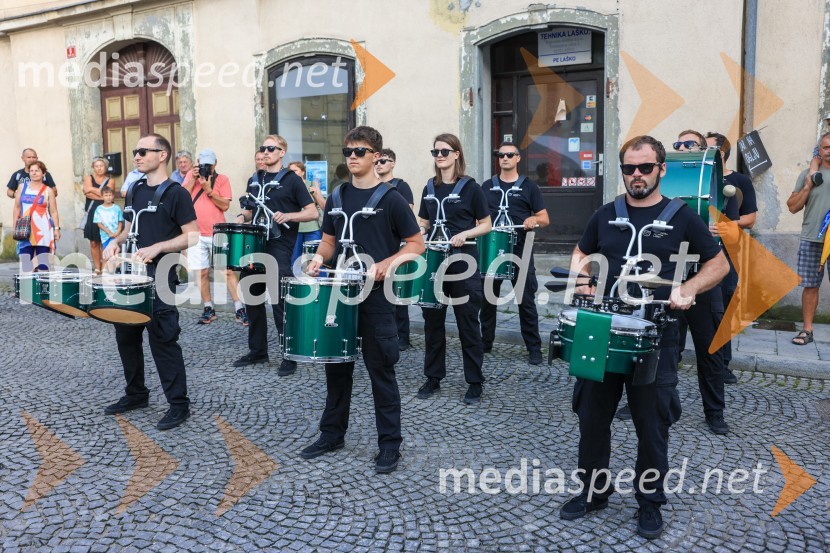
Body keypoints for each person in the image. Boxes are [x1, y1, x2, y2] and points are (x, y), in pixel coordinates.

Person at [559, 135, 728, 539]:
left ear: (661, 169)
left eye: (645, 168)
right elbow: (582, 253)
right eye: (629, 168)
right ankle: (594, 491)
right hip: (603, 330)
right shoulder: (606, 213)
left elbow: (719, 264)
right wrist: (582, 278)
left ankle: (649, 502)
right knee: (592, 418)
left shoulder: (682, 215)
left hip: (657, 334)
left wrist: (687, 290)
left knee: (652, 425)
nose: (637, 175)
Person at [302, 126, 424, 473]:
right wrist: (318, 259)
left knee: (380, 370)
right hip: (339, 293)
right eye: (348, 152)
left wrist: (387, 264)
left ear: (377, 157)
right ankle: (332, 434)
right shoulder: (338, 197)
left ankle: (389, 445)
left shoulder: (392, 199)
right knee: (336, 368)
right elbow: (328, 240)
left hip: (375, 296)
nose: (352, 157)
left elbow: (416, 244)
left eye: (359, 151)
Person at [101, 133, 198, 431]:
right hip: (130, 275)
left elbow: (192, 235)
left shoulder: (177, 193)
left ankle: (178, 404)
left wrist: (159, 247)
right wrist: (115, 242)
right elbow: (130, 227)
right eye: (135, 151)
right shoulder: (134, 189)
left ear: (162, 155)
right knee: (126, 336)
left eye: (144, 151)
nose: (137, 155)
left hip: (162, 275)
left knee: (163, 339)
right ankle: (136, 394)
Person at [416, 133, 492, 404]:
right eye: (435, 152)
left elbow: (486, 224)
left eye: (445, 152)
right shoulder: (429, 187)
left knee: (467, 322)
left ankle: (474, 381)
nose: (439, 156)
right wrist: (422, 231)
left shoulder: (471, 188)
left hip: (463, 259)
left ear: (457, 154)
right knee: (432, 322)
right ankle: (433, 377)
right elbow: (424, 220)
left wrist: (466, 233)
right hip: (434, 260)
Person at [233, 135, 318, 374]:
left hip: (279, 245)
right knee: (251, 297)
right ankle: (258, 351)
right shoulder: (254, 178)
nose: (266, 152)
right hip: (254, 245)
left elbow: (312, 213)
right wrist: (241, 217)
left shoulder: (292, 180)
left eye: (271, 148)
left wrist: (288, 216)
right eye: (263, 148)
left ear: (282, 152)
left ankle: (289, 355)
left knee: (279, 302)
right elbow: (249, 211)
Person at [666, 129, 730, 434]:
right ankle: (652, 399)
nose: (681, 148)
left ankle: (714, 411)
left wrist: (718, 229)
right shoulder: (664, 182)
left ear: (702, 152)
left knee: (709, 349)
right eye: (677, 144)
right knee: (664, 345)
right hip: (670, 274)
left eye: (688, 144)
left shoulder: (711, 185)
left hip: (704, 277)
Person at [479, 142, 550, 365]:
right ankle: (485, 343)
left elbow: (544, 218)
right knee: (487, 300)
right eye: (500, 155)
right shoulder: (486, 186)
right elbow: (477, 217)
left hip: (520, 250)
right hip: (492, 250)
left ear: (518, 158)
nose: (505, 158)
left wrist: (533, 219)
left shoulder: (529, 186)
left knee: (525, 301)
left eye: (510, 155)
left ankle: (534, 349)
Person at [705, 131, 758, 383]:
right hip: (699, 251)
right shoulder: (699, 179)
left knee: (724, 308)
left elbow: (750, 219)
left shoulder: (739, 181)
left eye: (707, 149)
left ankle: (723, 364)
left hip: (727, 252)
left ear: (721, 153)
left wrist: (726, 224)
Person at [182, 149, 247, 325]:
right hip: (196, 233)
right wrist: (193, 180)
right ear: (197, 163)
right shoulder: (190, 176)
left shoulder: (223, 179)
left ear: (215, 164)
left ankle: (240, 308)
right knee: (201, 272)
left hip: (217, 232)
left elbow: (225, 206)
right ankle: (208, 308)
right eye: (203, 164)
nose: (206, 168)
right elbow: (181, 199)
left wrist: (209, 190)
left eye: (209, 165)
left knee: (226, 271)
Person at [787, 132, 830, 345]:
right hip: (812, 238)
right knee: (810, 286)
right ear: (819, 151)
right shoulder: (809, 174)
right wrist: (808, 184)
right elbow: (793, 207)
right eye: (826, 147)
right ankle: (807, 330)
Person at [375, 148, 416, 351]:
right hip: (379, 244)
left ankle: (403, 337)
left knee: (398, 291)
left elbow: (407, 213)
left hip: (398, 244)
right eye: (378, 161)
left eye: (384, 160)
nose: (380, 164)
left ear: (393, 164)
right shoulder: (371, 186)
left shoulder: (401, 186)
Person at [13, 161, 60, 272]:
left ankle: (43, 287)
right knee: (26, 263)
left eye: (37, 170)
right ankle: (28, 287)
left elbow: (53, 211)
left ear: (43, 173)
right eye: (31, 171)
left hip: (43, 229)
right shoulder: (22, 187)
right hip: (25, 229)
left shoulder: (48, 191)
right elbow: (17, 207)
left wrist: (57, 229)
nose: (34, 173)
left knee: (43, 264)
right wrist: (14, 225)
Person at [288, 161, 323, 265]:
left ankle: (318, 280)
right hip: (296, 227)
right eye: (290, 171)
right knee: (295, 258)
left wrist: (316, 192)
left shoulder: (312, 184)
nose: (293, 173)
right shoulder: (288, 186)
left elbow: (321, 204)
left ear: (302, 172)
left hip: (312, 227)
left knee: (315, 258)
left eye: (295, 170)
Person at [81, 157, 111, 274]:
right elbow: (86, 192)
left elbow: (108, 195)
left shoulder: (110, 181)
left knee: (105, 241)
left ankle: (104, 267)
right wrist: (101, 194)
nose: (99, 168)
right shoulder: (88, 178)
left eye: (101, 166)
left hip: (107, 212)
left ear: (105, 167)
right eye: (96, 166)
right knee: (94, 242)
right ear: (93, 167)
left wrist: (91, 190)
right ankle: (97, 267)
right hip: (93, 211)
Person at [93, 185, 123, 250]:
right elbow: (99, 224)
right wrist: (109, 232)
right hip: (105, 236)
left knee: (115, 254)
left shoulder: (117, 208)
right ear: (102, 197)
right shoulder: (99, 209)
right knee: (107, 254)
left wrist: (117, 232)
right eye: (106, 195)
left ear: (113, 196)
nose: (108, 197)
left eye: (110, 195)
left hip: (116, 236)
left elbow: (120, 221)